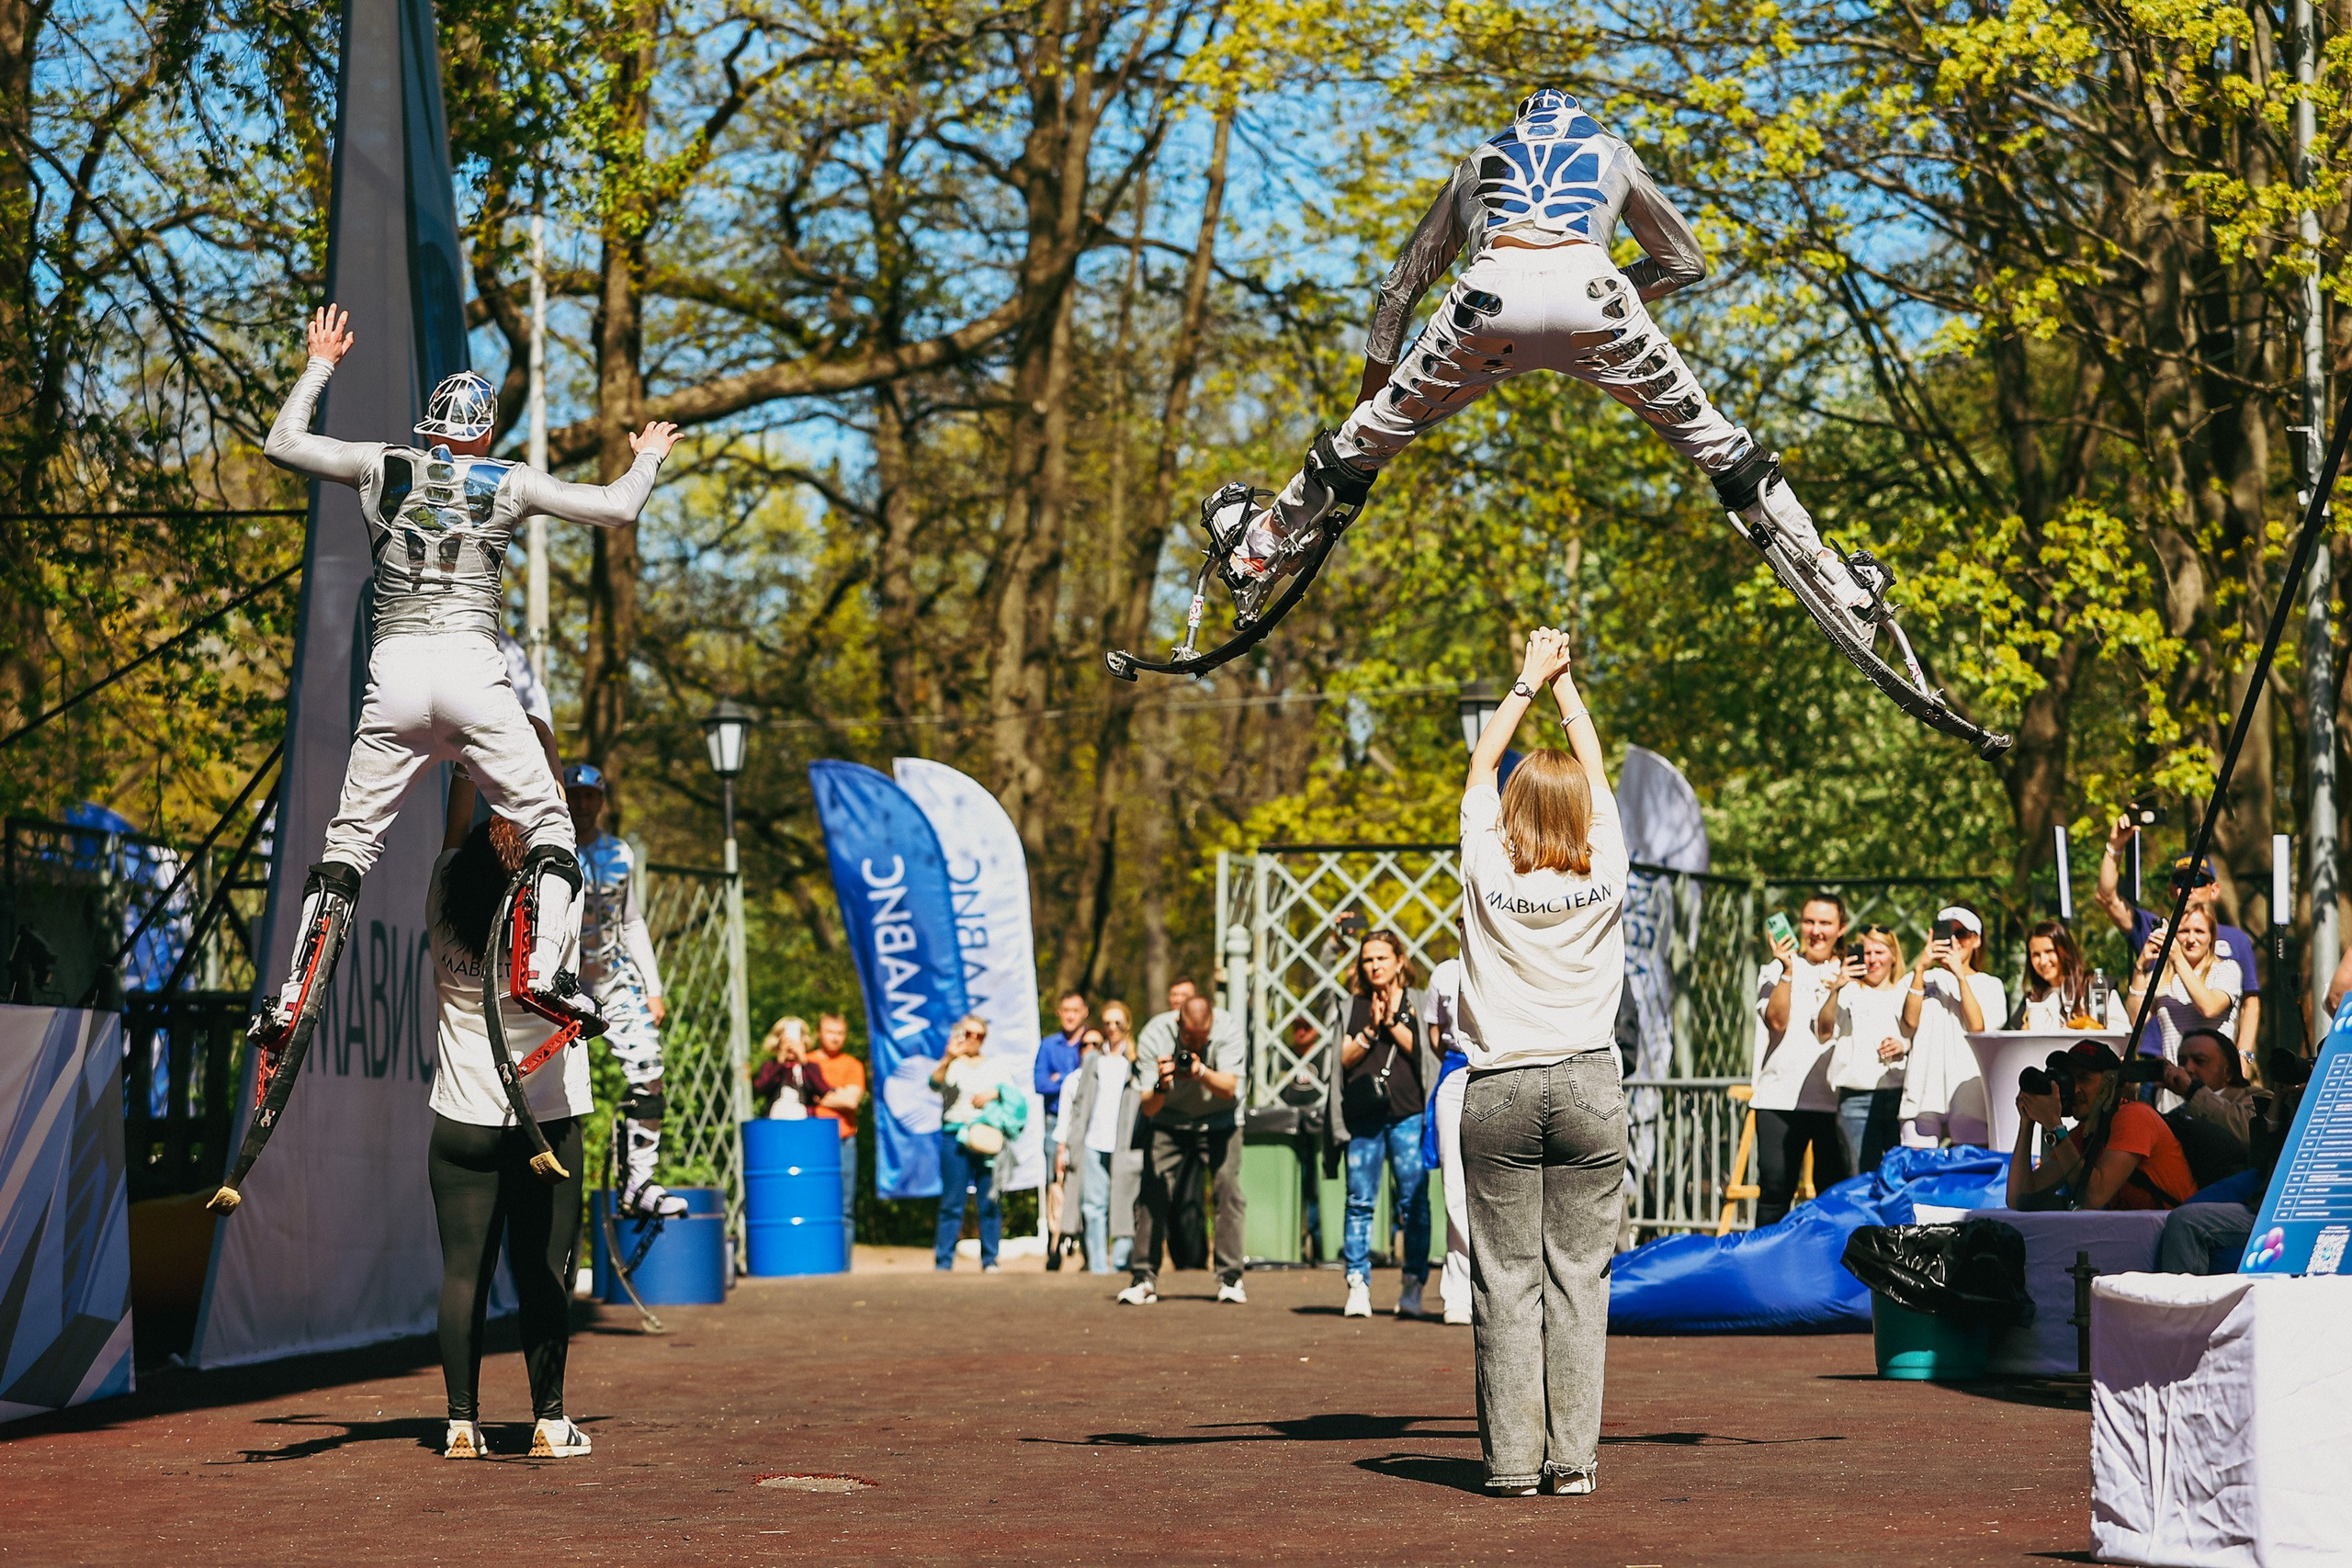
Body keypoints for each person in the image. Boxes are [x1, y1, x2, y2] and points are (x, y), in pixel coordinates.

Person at [1222, 92, 1871, 641]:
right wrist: (1599, 293)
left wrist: (1369, 407)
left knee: (1366, 439)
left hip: (1486, 300)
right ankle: (1840, 584)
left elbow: (1400, 289)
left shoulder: (1477, 161)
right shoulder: (1610, 149)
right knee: (1717, 444)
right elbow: (1685, 262)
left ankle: (1256, 550)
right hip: (1595, 295)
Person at [243, 306, 675, 1084]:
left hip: (398, 673)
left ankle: (292, 992)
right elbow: (618, 506)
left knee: (350, 841)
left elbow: (281, 444)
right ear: (484, 432)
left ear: (430, 424)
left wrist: (320, 364)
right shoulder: (507, 477)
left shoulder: (382, 463)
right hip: (474, 673)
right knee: (548, 821)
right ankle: (543, 968)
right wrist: (645, 457)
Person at [1456, 626, 1629, 1498]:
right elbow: (1595, 776)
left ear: (1513, 816)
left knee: (1506, 1279)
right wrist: (1566, 691)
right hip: (1589, 1081)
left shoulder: (1487, 862)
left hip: (1501, 1083)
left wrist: (1524, 680)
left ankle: (1513, 1463)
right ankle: (1574, 1461)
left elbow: (1480, 771)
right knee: (1579, 1282)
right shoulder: (1608, 866)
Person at [425, 772, 592, 1460]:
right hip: (543, 1121)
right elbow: (562, 832)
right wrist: (536, 754)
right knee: (542, 1270)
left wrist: (469, 766)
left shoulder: (442, 894)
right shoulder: (556, 910)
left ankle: (461, 1424)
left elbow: (451, 832)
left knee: (463, 1273)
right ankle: (550, 1422)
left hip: (459, 1122)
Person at [563, 762, 684, 1219]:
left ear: (602, 802)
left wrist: (653, 988)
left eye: (591, 796)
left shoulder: (620, 853)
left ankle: (641, 1181)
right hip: (564, 985)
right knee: (552, 1086)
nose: (582, 805)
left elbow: (631, 921)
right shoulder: (549, 847)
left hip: (614, 981)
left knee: (650, 1072)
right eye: (574, 796)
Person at [1326, 929, 1437, 1318]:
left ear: (1399, 962)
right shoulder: (1350, 1006)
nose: (1374, 965)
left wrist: (1391, 1022)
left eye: (1382, 958)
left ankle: (1412, 1285)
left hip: (1408, 1114)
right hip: (1364, 1119)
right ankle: (1357, 1283)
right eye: (1368, 959)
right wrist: (1371, 1030)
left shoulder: (1420, 1002)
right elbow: (1338, 1060)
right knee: (1359, 1200)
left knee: (1414, 1204)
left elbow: (1426, 1053)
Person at [1118, 993, 1250, 1306]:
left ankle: (1231, 1279)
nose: (1194, 1045)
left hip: (1221, 1120)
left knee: (1228, 1190)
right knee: (1153, 1192)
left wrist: (1200, 1071)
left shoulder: (1229, 1029)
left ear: (1213, 1023)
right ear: (1178, 1022)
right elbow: (1148, 1108)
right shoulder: (1155, 1034)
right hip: (1169, 1120)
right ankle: (1143, 1278)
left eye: (1202, 1038)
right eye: (1189, 1038)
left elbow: (1230, 1089)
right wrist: (1163, 1084)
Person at [2097, 830, 2262, 1055]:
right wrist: (2115, 845)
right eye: (2180, 880)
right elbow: (2108, 899)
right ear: (2171, 889)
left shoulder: (2236, 941)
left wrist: (2244, 1055)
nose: (2188, 888)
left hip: (2211, 1066)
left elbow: (2249, 1003)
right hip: (2159, 1058)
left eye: (2197, 880)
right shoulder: (2156, 928)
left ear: (2214, 890)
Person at [1749, 895, 1852, 1224]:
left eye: (1825, 923)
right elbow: (1776, 1021)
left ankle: (1827, 1268)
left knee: (1833, 1197)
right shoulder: (1774, 968)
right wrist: (1788, 969)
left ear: (1841, 929)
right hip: (1779, 1099)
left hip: (1834, 1102)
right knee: (1774, 1195)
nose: (1816, 931)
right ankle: (1765, 1271)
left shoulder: (1851, 972)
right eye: (1809, 922)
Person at [2007, 1040, 2196, 1212]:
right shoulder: (2082, 1136)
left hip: (2176, 1233)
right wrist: (2027, 1121)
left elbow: (2092, 1197)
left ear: (2111, 1083)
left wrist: (2054, 1125)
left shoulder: (2135, 1116)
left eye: (2084, 1078)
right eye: (2071, 1079)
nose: (2075, 1089)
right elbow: (2019, 1199)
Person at [1897, 905, 2007, 1147]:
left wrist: (1960, 976)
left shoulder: (1990, 984)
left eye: (1962, 934)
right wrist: (1920, 968)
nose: (1953, 941)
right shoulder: (1919, 979)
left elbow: (1978, 1028)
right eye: (1947, 933)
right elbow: (1909, 1023)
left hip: (1969, 1090)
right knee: (1916, 1172)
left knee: (1970, 1172)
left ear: (1976, 941)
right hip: (1923, 1087)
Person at [1820, 923, 1910, 1174]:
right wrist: (1837, 987)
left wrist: (1903, 1045)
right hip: (1856, 1098)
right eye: (1866, 953)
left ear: (1893, 955)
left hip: (1899, 1096)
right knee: (1860, 1175)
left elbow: (1919, 1036)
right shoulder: (1848, 991)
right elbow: (1824, 1030)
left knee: (1899, 1176)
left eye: (1879, 952)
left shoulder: (1906, 991)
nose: (1872, 960)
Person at [930, 1015, 1016, 1272]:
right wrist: (948, 1057)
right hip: (955, 1137)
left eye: (979, 1035)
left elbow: (1014, 1096)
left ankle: (990, 1259)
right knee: (952, 1201)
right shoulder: (951, 1063)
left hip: (986, 1138)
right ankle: (943, 1261)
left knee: (989, 1200)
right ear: (960, 1033)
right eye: (968, 1033)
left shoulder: (995, 1066)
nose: (973, 1040)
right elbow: (934, 1084)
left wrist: (996, 1092)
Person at [1057, 1009, 1140, 1275]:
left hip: (1125, 1144)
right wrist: (1068, 1144)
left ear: (1127, 1025)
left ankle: (1120, 1263)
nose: (1112, 1028)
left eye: (1118, 1022)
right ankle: (1097, 1266)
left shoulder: (1136, 1062)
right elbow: (1079, 1106)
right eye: (1107, 1023)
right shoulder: (1094, 1061)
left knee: (1125, 1204)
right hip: (1093, 1140)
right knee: (1093, 1206)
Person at [1423, 955, 1473, 1325]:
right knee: (1455, 1189)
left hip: (1506, 1070)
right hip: (1456, 1074)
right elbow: (1434, 1038)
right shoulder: (1445, 972)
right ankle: (1458, 1291)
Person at [2125, 905, 2242, 1058]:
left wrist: (2178, 959)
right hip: (2174, 1077)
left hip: (2213, 1077)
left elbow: (2209, 1008)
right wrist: (2140, 968)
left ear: (2211, 937)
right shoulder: (2161, 977)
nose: (2191, 939)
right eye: (2184, 931)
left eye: (2199, 931)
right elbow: (2135, 1019)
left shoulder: (2227, 969)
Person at [808, 1012, 866, 1243]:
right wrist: (835, 1094)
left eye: (841, 1033)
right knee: (814, 1203)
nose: (836, 1038)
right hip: (812, 1141)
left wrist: (818, 1096)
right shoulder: (807, 1062)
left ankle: (844, 1269)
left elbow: (851, 1101)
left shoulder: (852, 1065)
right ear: (818, 1033)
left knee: (845, 1207)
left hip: (844, 1140)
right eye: (831, 1032)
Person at [2012, 919, 2121, 1031]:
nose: (2043, 961)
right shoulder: (2033, 998)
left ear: (2066, 951)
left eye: (2049, 951)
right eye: (2036, 954)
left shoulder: (2095, 986)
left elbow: (2121, 1030)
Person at [1035, 991, 1091, 1148]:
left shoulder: (1092, 1042)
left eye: (1075, 1011)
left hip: (1088, 1121)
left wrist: (1059, 1077)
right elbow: (1041, 1084)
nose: (1070, 1016)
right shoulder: (1048, 1045)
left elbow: (1092, 1083)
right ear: (1059, 1012)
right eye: (1066, 1010)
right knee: (1053, 1171)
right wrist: (1074, 1079)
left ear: (1085, 1012)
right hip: (1054, 1120)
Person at [752, 1016, 820, 1119]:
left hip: (804, 1121)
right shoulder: (770, 1066)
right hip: (775, 1121)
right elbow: (762, 1087)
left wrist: (803, 1061)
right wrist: (780, 1062)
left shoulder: (811, 1067)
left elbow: (821, 1089)